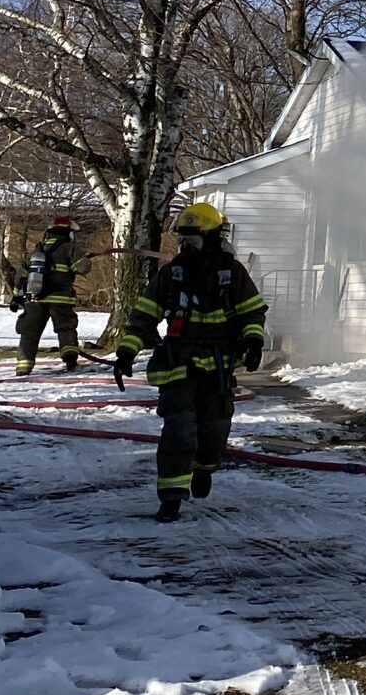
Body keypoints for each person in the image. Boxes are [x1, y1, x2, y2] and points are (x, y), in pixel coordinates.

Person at [113, 202, 267, 523]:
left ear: (211, 238)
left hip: (218, 366)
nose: (185, 244)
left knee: (214, 431)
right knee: (179, 430)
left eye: (193, 237)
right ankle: (171, 498)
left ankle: (204, 468)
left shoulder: (232, 274)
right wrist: (127, 351)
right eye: (182, 237)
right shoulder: (172, 274)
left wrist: (253, 341)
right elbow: (144, 315)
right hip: (178, 362)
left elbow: (252, 311)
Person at [7, 216, 83, 375]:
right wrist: (83, 257)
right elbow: (82, 268)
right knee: (66, 328)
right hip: (60, 299)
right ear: (67, 233)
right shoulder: (70, 248)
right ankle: (70, 360)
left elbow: (20, 278)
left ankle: (23, 366)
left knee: (29, 332)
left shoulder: (36, 252)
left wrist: (16, 298)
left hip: (35, 300)